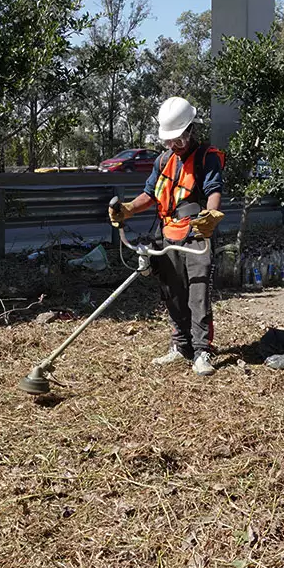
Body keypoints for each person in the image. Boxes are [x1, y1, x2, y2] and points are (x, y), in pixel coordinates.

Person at [108, 96, 225, 376]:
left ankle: (201, 352)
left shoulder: (207, 157)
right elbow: (149, 195)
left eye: (179, 140)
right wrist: (127, 210)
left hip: (197, 235)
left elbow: (213, 191)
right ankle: (180, 346)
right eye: (170, 141)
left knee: (198, 294)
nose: (175, 146)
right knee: (172, 293)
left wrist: (210, 217)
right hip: (167, 235)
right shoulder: (162, 161)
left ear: (190, 131)